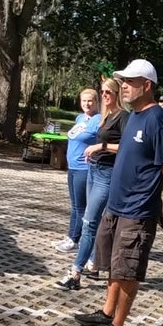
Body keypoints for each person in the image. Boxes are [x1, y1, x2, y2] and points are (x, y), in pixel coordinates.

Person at [74, 59, 163, 326]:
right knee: (113, 263)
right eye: (123, 81)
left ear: (147, 86)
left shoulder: (157, 120)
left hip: (137, 210)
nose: (124, 86)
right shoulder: (134, 116)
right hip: (117, 205)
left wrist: (148, 192)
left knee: (128, 268)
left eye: (130, 82)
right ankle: (107, 312)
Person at [55, 78, 128, 290]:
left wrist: (100, 146)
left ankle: (75, 273)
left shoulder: (123, 116)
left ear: (117, 95)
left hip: (106, 174)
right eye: (103, 92)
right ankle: (94, 264)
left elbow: (125, 146)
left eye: (108, 93)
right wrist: (93, 152)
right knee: (92, 220)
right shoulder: (106, 116)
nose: (105, 95)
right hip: (94, 170)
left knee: (89, 222)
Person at [51, 89, 100, 255]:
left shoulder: (98, 120)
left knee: (81, 207)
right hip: (72, 167)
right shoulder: (80, 118)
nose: (87, 104)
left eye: (90, 101)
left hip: (83, 169)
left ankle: (75, 240)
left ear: (96, 102)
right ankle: (70, 236)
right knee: (74, 206)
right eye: (84, 101)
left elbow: (103, 141)